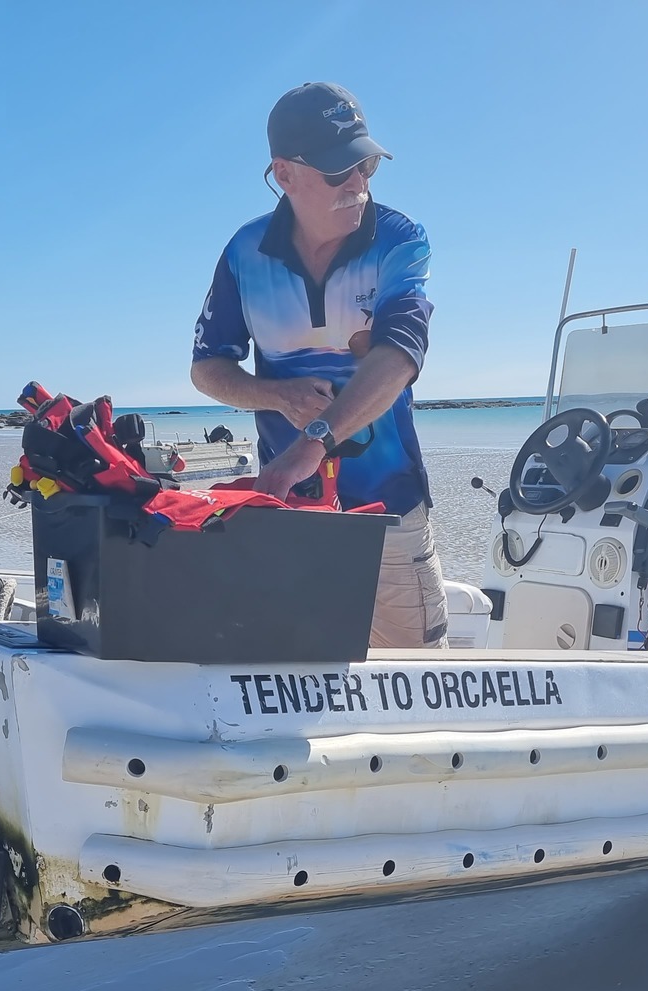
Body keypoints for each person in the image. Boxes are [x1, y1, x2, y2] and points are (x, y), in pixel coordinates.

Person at [191, 82, 447, 649]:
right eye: (337, 170)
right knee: (300, 678)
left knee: (420, 676)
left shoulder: (400, 238)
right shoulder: (244, 253)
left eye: (366, 164)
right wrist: (276, 395)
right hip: (291, 513)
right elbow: (207, 368)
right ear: (284, 174)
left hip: (390, 510)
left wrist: (314, 440)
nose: (357, 182)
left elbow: (399, 355)